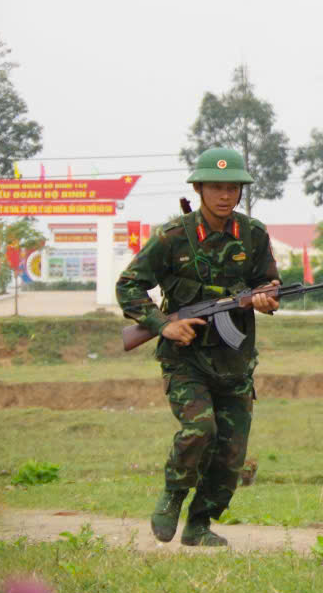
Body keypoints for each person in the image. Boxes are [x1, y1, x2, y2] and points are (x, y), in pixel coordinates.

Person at [117, 147, 280, 547]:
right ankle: (173, 495)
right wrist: (162, 326)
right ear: (199, 188)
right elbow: (129, 285)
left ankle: (200, 524)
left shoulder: (253, 235)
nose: (225, 195)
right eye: (216, 187)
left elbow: (269, 284)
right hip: (186, 361)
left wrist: (266, 298)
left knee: (230, 454)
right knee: (199, 429)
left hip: (235, 363)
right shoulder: (174, 237)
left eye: (232, 188)